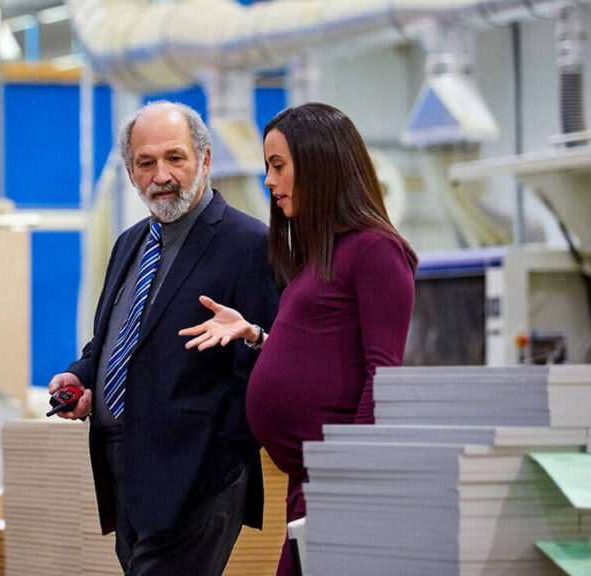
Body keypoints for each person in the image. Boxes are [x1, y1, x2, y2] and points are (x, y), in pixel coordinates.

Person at [179, 102, 417, 576]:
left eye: (278, 166)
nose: (268, 181)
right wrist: (257, 336)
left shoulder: (376, 252)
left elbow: (383, 374)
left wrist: (349, 476)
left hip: (335, 481)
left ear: (319, 164)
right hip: (308, 477)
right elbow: (325, 352)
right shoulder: (320, 256)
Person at [48, 101, 280, 576]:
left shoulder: (248, 243)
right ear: (131, 172)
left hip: (196, 472)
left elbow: (261, 366)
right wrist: (79, 374)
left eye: (175, 158)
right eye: (146, 162)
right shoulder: (130, 242)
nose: (162, 175)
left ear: (205, 160)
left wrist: (220, 467)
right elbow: (115, 342)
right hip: (124, 464)